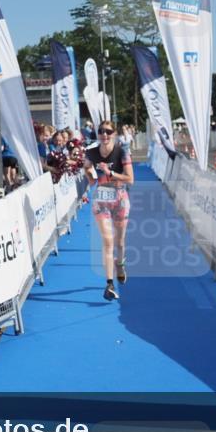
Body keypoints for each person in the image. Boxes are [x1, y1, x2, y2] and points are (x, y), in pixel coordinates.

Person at [84, 121, 134, 301]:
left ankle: (120, 264)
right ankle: (109, 284)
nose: (104, 134)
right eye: (101, 131)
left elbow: (130, 179)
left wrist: (110, 173)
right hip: (101, 200)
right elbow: (87, 167)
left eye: (108, 131)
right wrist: (90, 177)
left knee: (119, 242)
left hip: (120, 199)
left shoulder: (121, 152)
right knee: (108, 241)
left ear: (114, 134)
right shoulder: (92, 152)